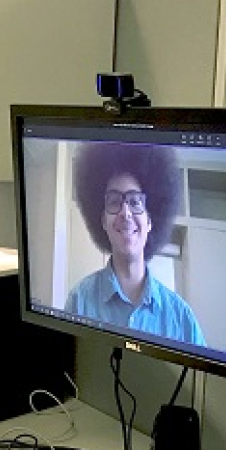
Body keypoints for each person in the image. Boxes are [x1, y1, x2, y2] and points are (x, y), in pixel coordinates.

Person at [64, 141, 206, 345]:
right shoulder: (79, 301)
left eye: (135, 201)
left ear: (150, 220)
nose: (125, 212)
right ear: (103, 221)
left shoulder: (182, 318)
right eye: (114, 201)